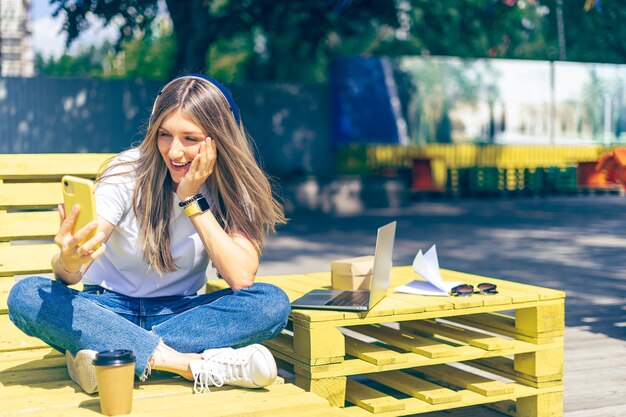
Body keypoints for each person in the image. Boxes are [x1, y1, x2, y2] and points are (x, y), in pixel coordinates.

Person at [7, 74, 291, 394]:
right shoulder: (127, 172)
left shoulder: (234, 188)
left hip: (182, 315)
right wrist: (70, 260)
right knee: (26, 295)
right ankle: (187, 365)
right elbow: (71, 274)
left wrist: (191, 199)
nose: (175, 152)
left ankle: (109, 351)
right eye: (165, 134)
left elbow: (241, 277)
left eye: (191, 138)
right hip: (107, 308)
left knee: (271, 304)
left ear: (219, 140)